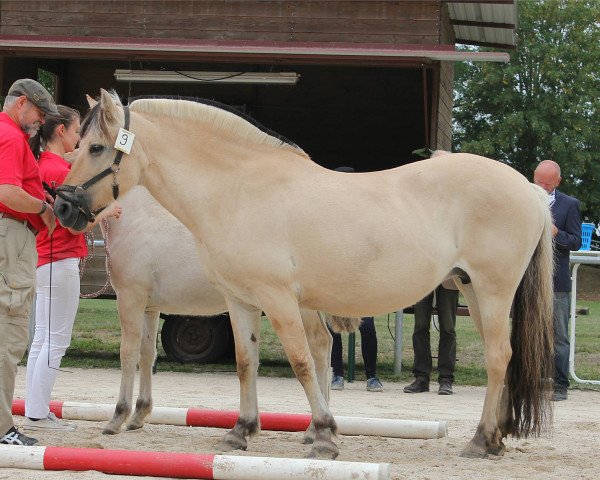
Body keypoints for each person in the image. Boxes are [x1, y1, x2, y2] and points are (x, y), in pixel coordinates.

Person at [23, 106, 122, 432]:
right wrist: (108, 212)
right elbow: (75, 225)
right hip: (59, 258)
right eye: (77, 129)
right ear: (61, 131)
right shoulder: (58, 171)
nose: (80, 137)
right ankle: (38, 413)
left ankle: (36, 409)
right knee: (56, 340)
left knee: (42, 339)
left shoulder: (46, 164)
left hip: (46, 259)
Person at [0, 78, 58, 446]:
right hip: (12, 235)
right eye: (38, 112)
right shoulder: (10, 137)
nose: (40, 121)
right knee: (9, 333)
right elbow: (6, 191)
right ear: (22, 103)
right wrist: (43, 208)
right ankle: (3, 428)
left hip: (12, 234)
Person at [533, 159, 581, 402]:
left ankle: (561, 384)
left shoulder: (570, 205)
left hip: (556, 280)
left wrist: (555, 233)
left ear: (558, 182)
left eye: (547, 183)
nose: (542, 186)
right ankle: (531, 379)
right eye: (538, 181)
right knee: (531, 331)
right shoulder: (524, 199)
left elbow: (575, 241)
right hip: (529, 279)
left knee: (559, 335)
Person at [404, 284, 458, 395]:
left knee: (448, 328)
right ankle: (422, 377)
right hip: (424, 276)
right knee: (420, 327)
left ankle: (446, 378)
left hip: (448, 275)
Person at [330, 317, 383, 392]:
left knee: (368, 326)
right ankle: (337, 375)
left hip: (360, 306)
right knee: (332, 328)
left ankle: (371, 377)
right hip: (338, 306)